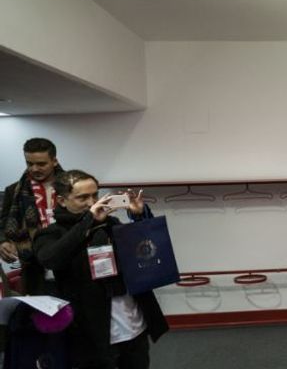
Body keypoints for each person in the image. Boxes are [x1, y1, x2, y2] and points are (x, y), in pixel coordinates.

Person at [33, 170, 167, 369]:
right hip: (90, 330)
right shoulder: (51, 233)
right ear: (61, 200)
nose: (92, 202)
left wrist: (139, 217)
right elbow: (50, 259)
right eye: (82, 197)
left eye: (95, 195)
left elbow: (147, 250)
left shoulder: (111, 224)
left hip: (131, 322)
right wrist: (88, 220)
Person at [0, 138, 65, 295]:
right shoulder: (13, 190)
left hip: (70, 261)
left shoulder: (73, 186)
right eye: (29, 163)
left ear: (54, 161)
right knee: (39, 316)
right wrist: (2, 242)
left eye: (41, 164)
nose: (35, 168)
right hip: (33, 267)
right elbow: (2, 223)